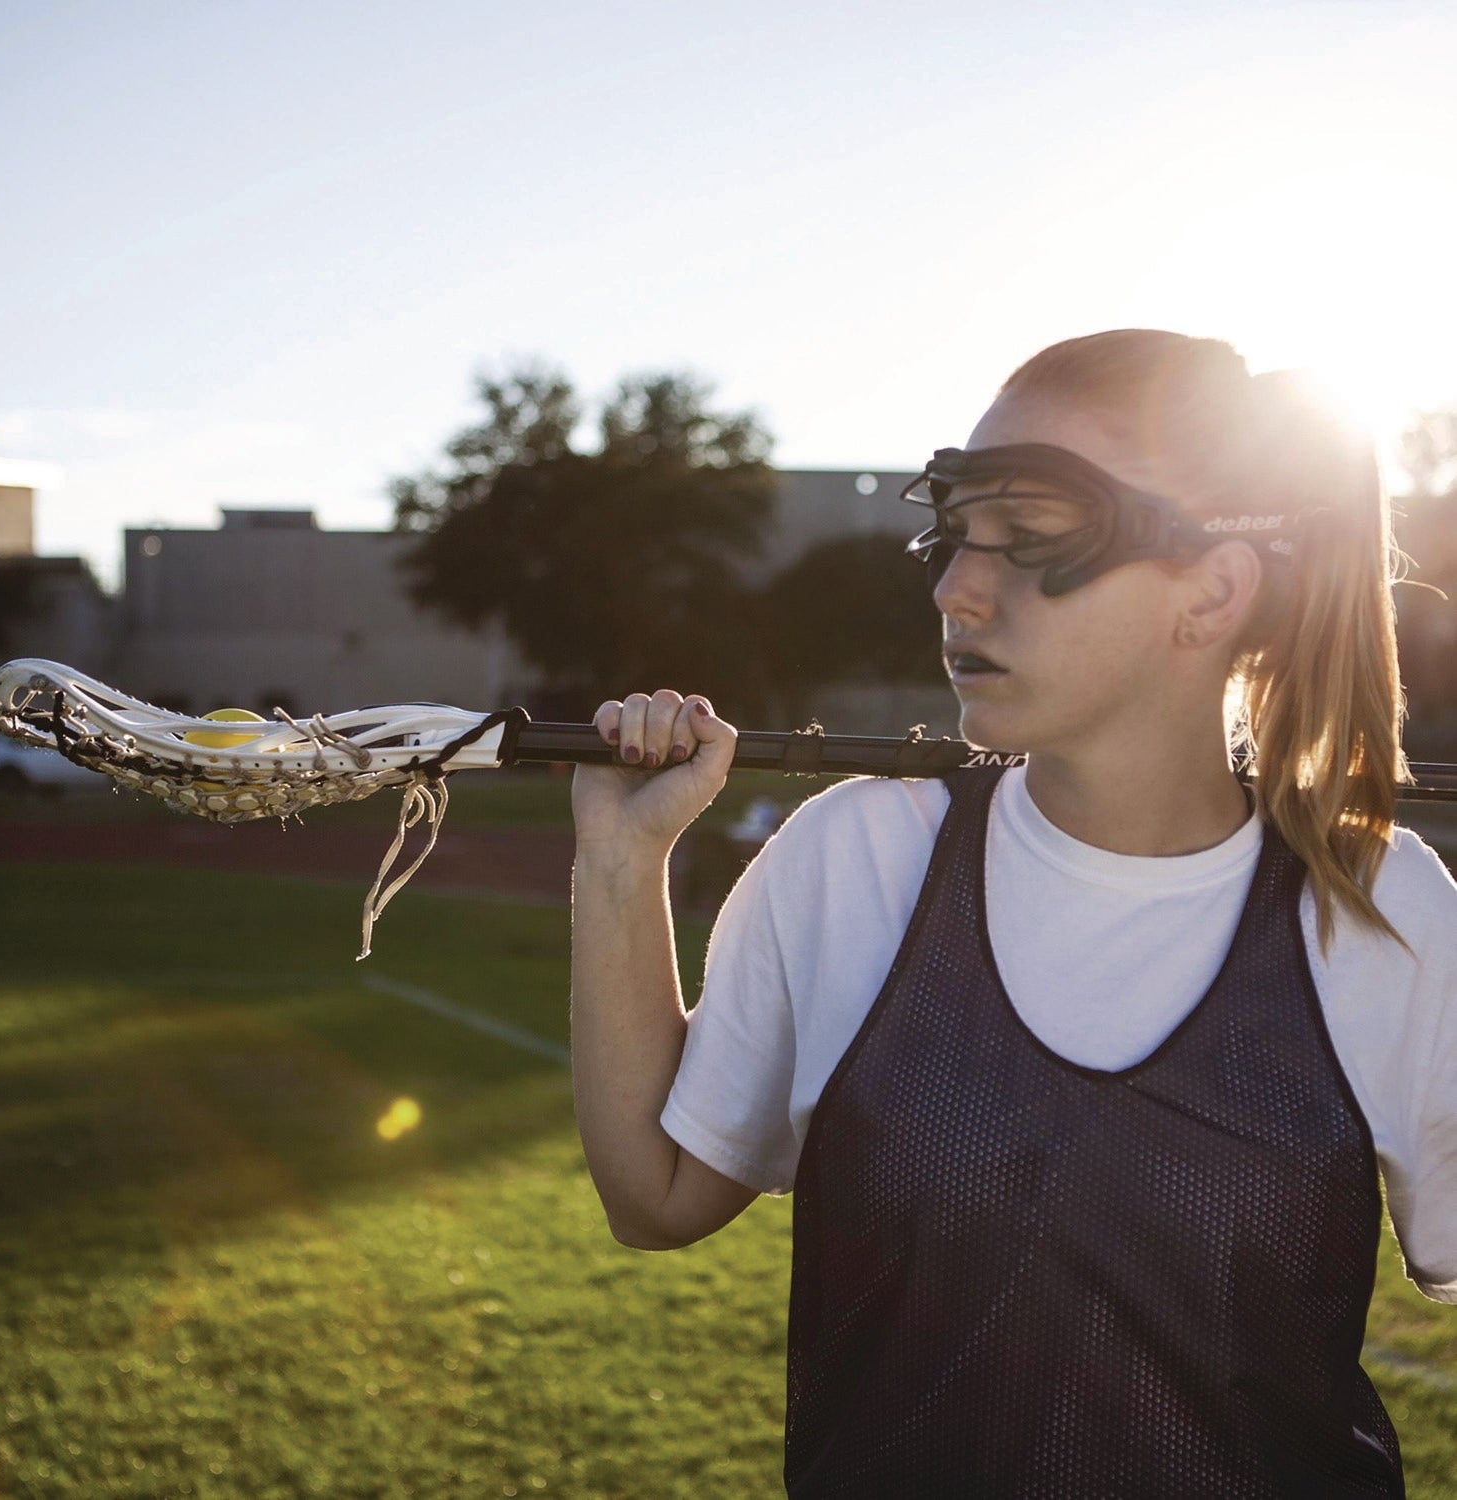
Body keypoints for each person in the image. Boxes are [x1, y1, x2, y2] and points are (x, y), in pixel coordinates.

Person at [569, 329, 1457, 1496]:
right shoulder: (856, 857)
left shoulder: (1381, 908)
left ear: (1214, 593)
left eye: (1030, 539)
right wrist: (624, 861)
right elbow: (656, 1196)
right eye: (954, 532)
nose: (955, 586)